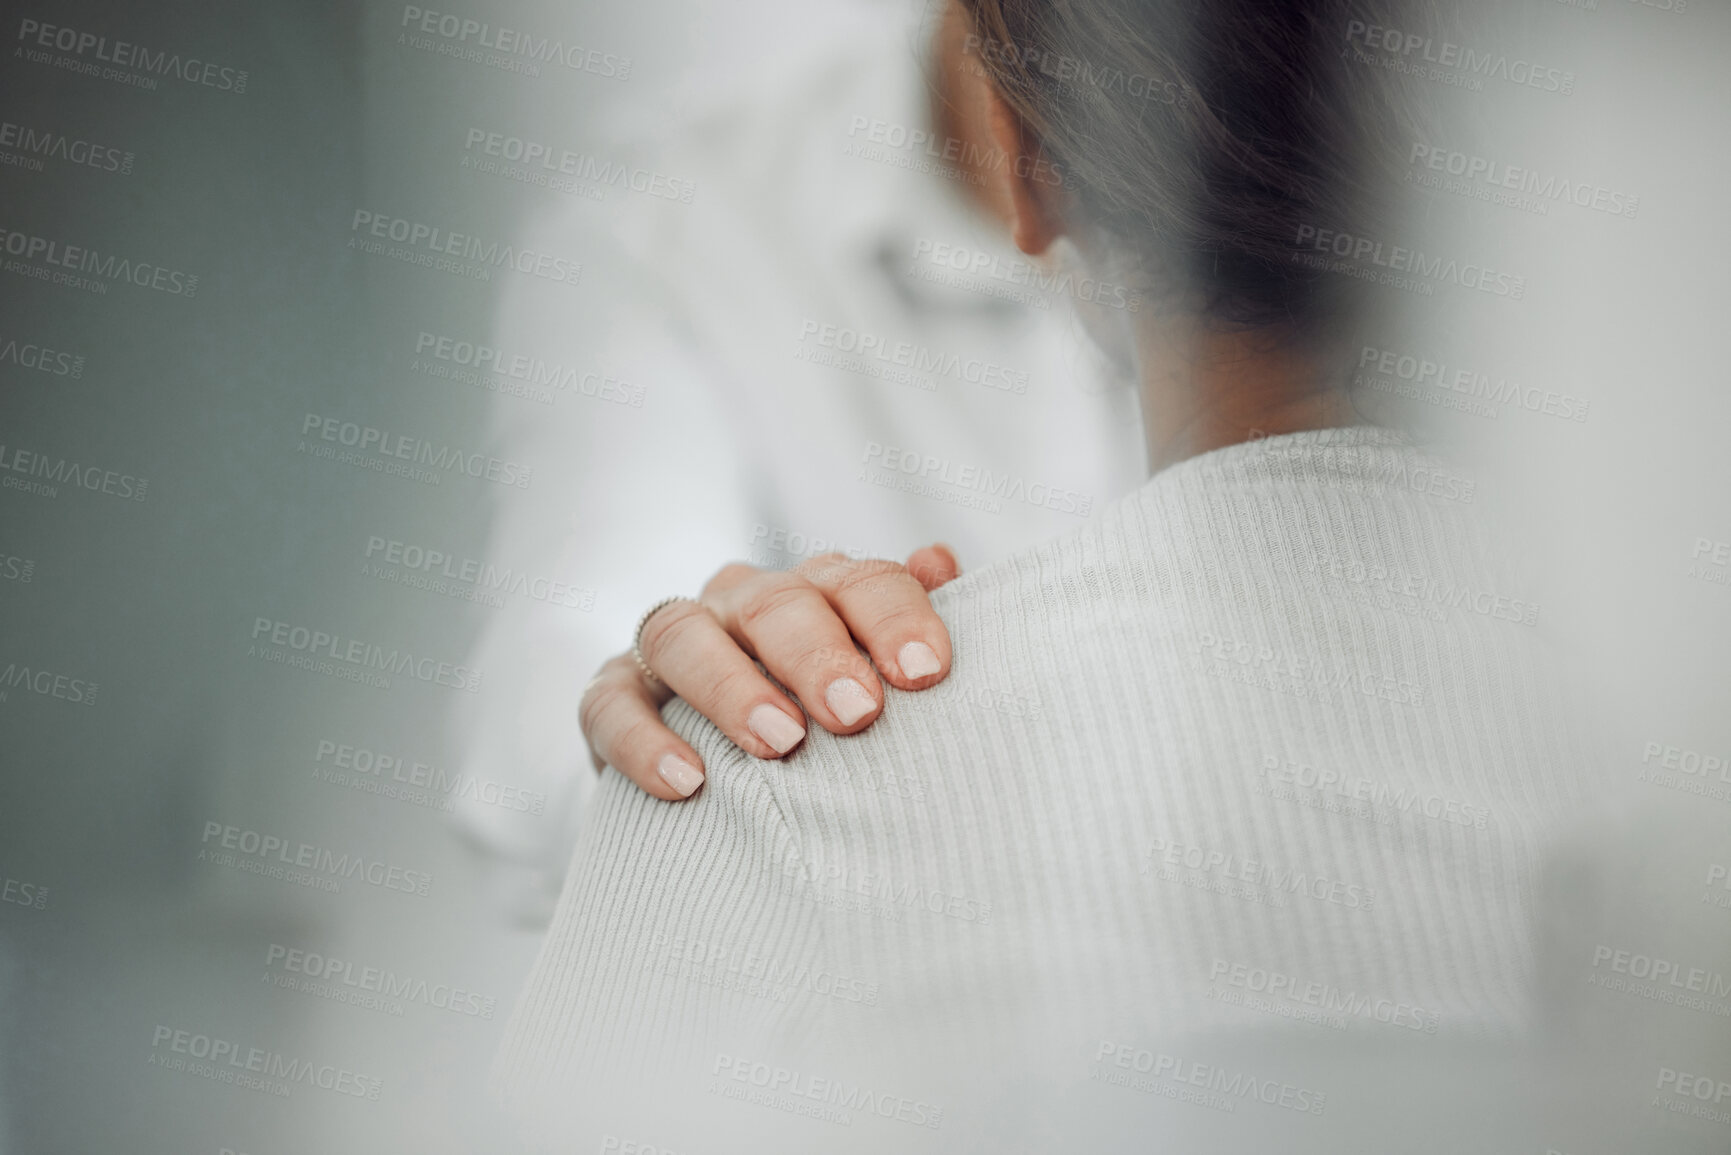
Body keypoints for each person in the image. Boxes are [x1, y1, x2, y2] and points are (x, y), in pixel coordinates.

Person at [491, 0, 1597, 1149]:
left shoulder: (762, 818)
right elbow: (546, 719)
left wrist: (742, 797)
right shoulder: (672, 220)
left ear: (1027, 166)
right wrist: (708, 696)